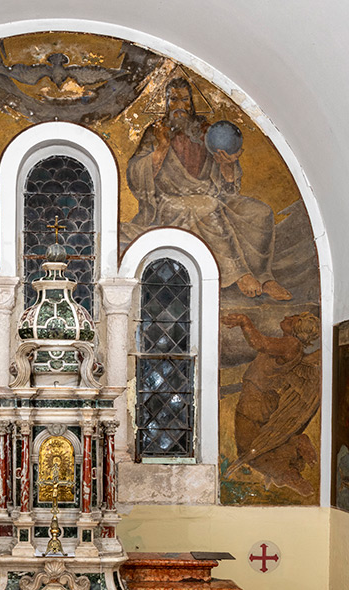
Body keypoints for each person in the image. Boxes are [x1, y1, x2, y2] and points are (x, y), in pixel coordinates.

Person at [126, 77, 291, 301]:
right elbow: (135, 175)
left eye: (185, 100)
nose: (179, 106)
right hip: (169, 202)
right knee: (207, 206)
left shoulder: (206, 132)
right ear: (165, 102)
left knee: (260, 212)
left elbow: (229, 189)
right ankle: (239, 274)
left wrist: (227, 165)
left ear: (192, 103)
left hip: (213, 195)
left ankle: (264, 276)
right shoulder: (156, 132)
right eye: (173, 100)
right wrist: (161, 148)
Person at [221, 312, 321, 496]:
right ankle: (292, 455)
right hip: (256, 399)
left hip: (256, 402)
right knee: (256, 447)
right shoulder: (290, 345)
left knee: (250, 451)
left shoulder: (291, 344)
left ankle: (290, 475)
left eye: (293, 318)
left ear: (298, 327)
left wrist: (244, 321)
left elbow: (259, 343)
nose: (287, 316)